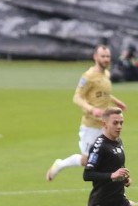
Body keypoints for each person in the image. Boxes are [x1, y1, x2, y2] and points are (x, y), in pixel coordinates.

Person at [46, 45, 127, 181]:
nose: (106, 59)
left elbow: (102, 93)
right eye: (103, 56)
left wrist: (116, 101)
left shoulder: (106, 74)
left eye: (108, 56)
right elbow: (77, 97)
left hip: (104, 125)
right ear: (95, 57)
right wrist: (92, 109)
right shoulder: (88, 76)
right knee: (88, 160)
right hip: (91, 126)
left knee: (110, 157)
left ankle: (119, 196)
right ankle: (60, 164)